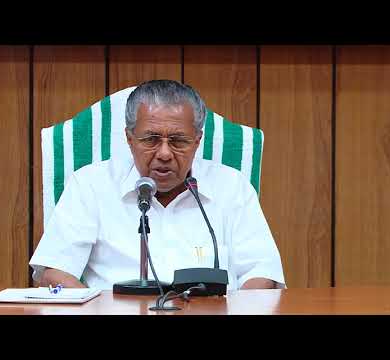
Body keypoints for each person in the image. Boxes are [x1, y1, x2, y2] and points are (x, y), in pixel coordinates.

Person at [29, 79, 285, 290]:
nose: (164, 153)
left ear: (197, 141)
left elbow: (263, 274)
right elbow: (53, 272)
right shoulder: (90, 184)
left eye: (178, 141)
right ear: (130, 139)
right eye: (151, 139)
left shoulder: (232, 187)